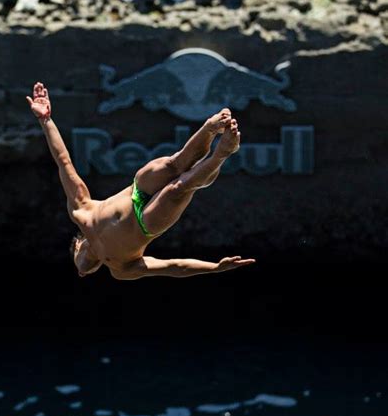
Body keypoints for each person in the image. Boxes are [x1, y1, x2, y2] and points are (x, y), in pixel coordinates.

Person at [27, 82, 255, 279]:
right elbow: (172, 267)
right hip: (146, 222)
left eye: (80, 269)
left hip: (138, 189)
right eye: (85, 274)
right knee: (180, 187)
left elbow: (63, 161)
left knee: (175, 164)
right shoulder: (120, 269)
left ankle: (210, 128)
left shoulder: (82, 211)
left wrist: (45, 120)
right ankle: (223, 152)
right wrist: (214, 268)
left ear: (77, 246)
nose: (83, 272)